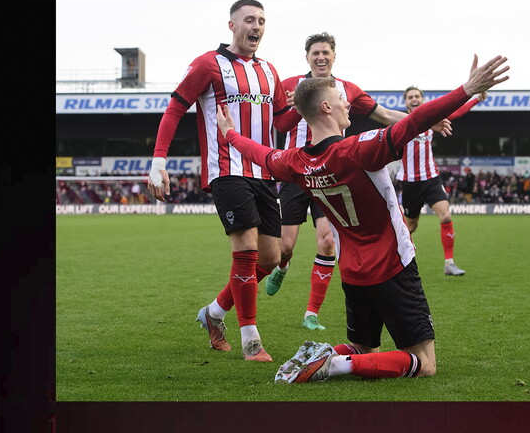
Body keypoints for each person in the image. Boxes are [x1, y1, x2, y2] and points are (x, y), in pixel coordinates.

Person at [215, 54, 510, 383]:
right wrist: (466, 89)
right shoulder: (359, 149)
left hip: (352, 271)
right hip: (392, 265)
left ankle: (325, 355)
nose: (347, 105)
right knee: (424, 362)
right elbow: (413, 122)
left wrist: (229, 135)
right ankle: (336, 365)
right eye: (341, 99)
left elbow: (261, 153)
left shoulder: (294, 163)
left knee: (360, 345)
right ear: (326, 108)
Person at [146, 0, 303, 362]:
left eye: (262, 21)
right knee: (246, 248)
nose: (257, 26)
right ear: (232, 26)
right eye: (249, 20)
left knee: (272, 256)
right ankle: (251, 340)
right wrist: (158, 160)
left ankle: (214, 314)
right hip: (226, 169)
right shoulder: (208, 64)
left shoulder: (269, 71)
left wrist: (300, 109)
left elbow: (280, 122)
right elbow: (175, 107)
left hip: (264, 171)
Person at [268, 32, 452, 331]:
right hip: (298, 171)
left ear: (334, 56)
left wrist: (423, 119)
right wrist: (293, 106)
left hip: (331, 174)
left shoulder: (348, 90)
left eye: (326, 52)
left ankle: (311, 313)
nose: (321, 57)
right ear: (307, 58)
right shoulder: (290, 86)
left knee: (327, 242)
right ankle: (283, 264)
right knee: (284, 246)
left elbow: (383, 114)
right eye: (315, 53)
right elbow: (279, 124)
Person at [397, 86, 486, 276]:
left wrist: (477, 99)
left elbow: (457, 110)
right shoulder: (400, 122)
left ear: (422, 99)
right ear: (405, 102)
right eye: (410, 97)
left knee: (445, 216)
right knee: (410, 227)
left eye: (417, 96)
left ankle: (449, 264)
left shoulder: (431, 120)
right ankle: (397, 261)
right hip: (410, 182)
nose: (414, 99)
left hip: (431, 179)